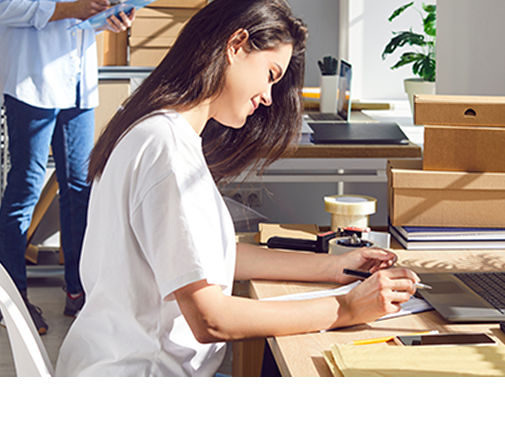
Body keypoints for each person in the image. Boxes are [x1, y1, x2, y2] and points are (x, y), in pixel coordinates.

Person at [56, 0, 420, 377]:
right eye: (270, 74)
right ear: (236, 45)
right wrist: (346, 308)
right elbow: (211, 319)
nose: (267, 97)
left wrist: (335, 267)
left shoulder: (158, 131)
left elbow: (214, 256)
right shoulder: (167, 149)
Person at [0, 0, 135, 335]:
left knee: (80, 190)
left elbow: (82, 20)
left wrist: (108, 19)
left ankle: (78, 291)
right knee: (25, 189)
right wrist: (67, 8)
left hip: (79, 83)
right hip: (32, 80)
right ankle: (12, 301)